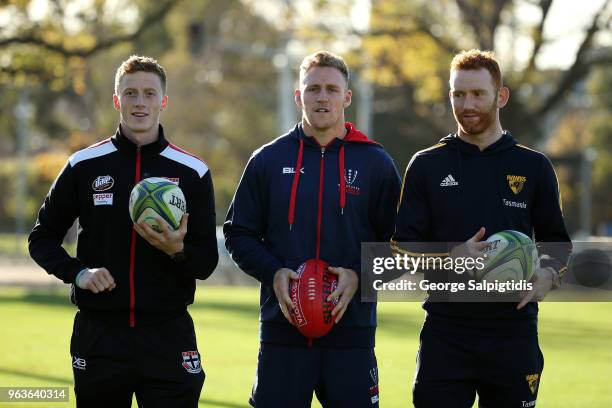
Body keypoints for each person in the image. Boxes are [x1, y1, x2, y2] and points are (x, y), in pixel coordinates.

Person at [28, 55, 218, 408]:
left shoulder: (193, 171)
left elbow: (206, 262)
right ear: (117, 101)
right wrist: (78, 273)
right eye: (131, 93)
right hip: (100, 337)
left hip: (168, 336)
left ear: (164, 101)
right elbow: (41, 238)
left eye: (149, 94)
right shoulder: (84, 166)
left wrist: (177, 250)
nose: (140, 102)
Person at [392, 49, 572, 408]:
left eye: (478, 94)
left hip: (513, 331)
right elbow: (401, 249)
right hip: (446, 331)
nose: (467, 103)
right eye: (459, 94)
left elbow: (558, 243)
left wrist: (548, 275)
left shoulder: (533, 166)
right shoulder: (426, 165)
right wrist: (450, 256)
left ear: (500, 96)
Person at [224, 50, 401, 407]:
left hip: (352, 335)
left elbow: (402, 244)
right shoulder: (267, 160)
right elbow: (237, 233)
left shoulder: (376, 163)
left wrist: (359, 276)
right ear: (298, 95)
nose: (322, 97)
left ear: (346, 97)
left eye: (332, 89)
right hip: (282, 333)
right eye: (313, 88)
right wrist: (273, 273)